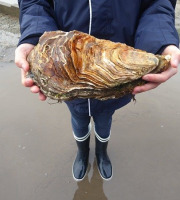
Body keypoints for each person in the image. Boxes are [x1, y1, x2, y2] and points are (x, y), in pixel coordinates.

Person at [15, 0, 180, 181]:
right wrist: (35, 37)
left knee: (104, 120)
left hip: (115, 82)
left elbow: (156, 4)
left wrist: (161, 41)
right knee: (78, 119)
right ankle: (82, 153)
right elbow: (35, 2)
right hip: (65, 73)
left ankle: (102, 153)